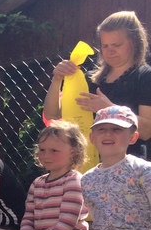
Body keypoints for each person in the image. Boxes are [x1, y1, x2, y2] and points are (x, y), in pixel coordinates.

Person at [44, 11, 151, 159]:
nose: (110, 51)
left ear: (135, 42)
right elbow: (53, 115)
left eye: (116, 45)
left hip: (131, 166)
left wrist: (109, 110)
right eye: (105, 46)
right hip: (89, 164)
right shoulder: (89, 79)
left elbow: (147, 131)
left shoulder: (145, 76)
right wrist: (57, 79)